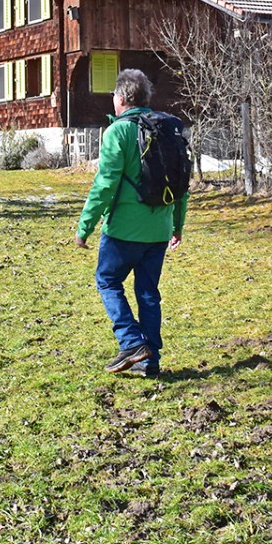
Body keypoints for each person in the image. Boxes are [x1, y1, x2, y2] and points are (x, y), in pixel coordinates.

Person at [75, 68, 188, 378]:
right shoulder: (167, 128)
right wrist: (177, 225)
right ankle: (149, 361)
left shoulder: (118, 132)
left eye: (114, 95)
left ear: (122, 98)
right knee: (148, 292)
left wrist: (85, 227)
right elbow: (181, 184)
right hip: (159, 228)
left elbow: (105, 184)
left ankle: (131, 342)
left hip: (124, 229)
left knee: (108, 280)